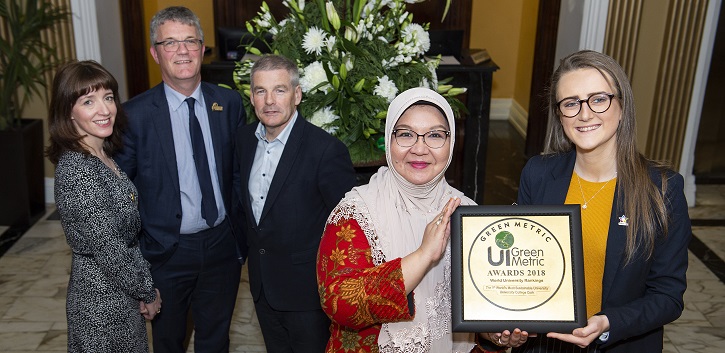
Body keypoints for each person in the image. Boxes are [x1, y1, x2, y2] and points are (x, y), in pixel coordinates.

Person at [316, 87, 527, 353]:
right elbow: (339, 304)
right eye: (405, 134)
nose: (419, 148)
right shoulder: (357, 213)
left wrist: (495, 335)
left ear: (451, 143)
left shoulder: (469, 213)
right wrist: (424, 255)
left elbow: (480, 310)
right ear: (388, 140)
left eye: (435, 135)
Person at [512, 50, 691, 352]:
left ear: (622, 107)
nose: (584, 114)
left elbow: (668, 296)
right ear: (560, 115)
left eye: (598, 99)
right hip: (544, 346)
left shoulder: (662, 189)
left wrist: (608, 323)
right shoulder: (538, 174)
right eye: (571, 103)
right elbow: (522, 271)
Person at [115, 6, 246, 352]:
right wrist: (138, 265)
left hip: (221, 246)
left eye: (191, 41)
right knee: (169, 342)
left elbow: (237, 175)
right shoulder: (134, 116)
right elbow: (121, 196)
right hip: (165, 253)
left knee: (215, 340)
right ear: (155, 53)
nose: (183, 51)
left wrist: (239, 240)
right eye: (171, 42)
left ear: (203, 49)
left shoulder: (229, 103)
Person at [235, 54, 357, 352]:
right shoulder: (243, 140)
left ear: (297, 95)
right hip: (262, 285)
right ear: (251, 97)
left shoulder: (326, 151)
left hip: (307, 294)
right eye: (261, 91)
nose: (270, 101)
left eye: (280, 90)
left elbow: (349, 226)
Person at [47, 60, 162, 352]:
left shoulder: (105, 157)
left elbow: (127, 239)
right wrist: (147, 292)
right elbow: (109, 248)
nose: (104, 109)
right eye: (88, 101)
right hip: (99, 306)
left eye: (108, 97)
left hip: (120, 295)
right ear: (68, 112)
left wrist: (140, 287)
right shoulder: (78, 168)